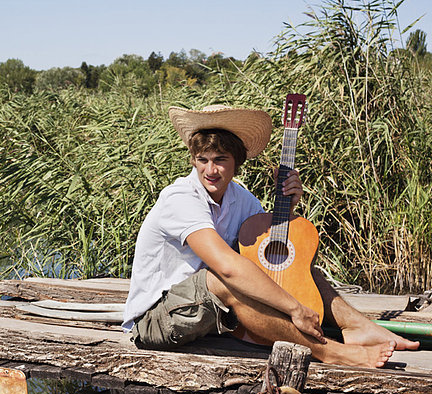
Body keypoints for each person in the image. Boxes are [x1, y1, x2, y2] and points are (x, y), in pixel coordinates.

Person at [122, 104, 419, 368]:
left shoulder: (243, 199)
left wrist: (288, 208)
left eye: (220, 159)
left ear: (237, 162)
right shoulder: (180, 198)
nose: (209, 170)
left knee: (299, 267)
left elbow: (268, 257)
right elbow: (227, 267)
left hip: (207, 316)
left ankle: (357, 325)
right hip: (156, 322)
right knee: (223, 277)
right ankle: (329, 351)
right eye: (202, 159)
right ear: (194, 160)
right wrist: (295, 309)